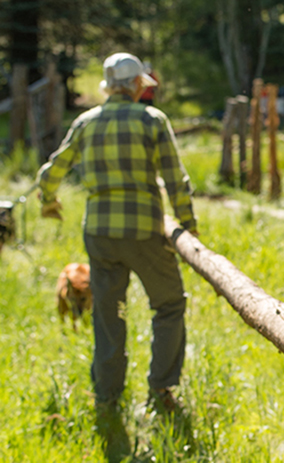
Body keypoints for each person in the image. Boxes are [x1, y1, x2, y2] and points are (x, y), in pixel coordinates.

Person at [37, 52, 197, 414]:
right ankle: (161, 391)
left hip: (99, 234)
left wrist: (48, 202)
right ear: (138, 84)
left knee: (109, 315)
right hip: (144, 232)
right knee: (169, 305)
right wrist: (189, 225)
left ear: (109, 87)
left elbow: (50, 173)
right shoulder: (152, 120)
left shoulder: (86, 122)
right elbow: (176, 180)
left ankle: (107, 396)